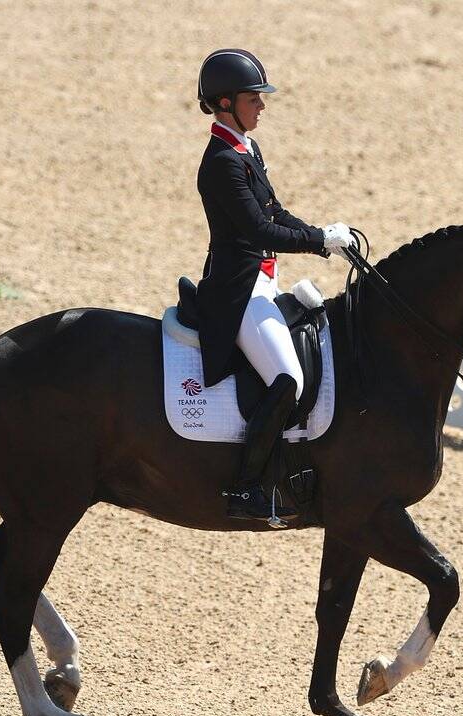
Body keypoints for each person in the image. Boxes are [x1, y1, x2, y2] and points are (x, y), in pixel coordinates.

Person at [194, 48, 356, 525]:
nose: (262, 106)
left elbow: (276, 214)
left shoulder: (246, 148)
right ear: (224, 102)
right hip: (239, 292)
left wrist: (324, 235)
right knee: (289, 378)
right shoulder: (222, 161)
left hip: (264, 283)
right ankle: (245, 488)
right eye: (253, 98)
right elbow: (259, 232)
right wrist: (317, 242)